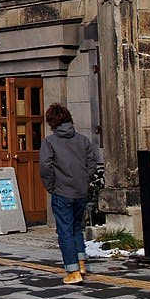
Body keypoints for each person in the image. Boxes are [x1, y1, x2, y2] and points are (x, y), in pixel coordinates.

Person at [39, 103, 98, 285]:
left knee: (64, 229)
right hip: (81, 191)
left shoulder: (50, 142)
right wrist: (85, 180)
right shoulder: (83, 140)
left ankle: (72, 270)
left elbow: (45, 167)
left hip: (62, 191)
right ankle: (81, 262)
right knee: (76, 228)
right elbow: (92, 163)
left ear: (51, 122)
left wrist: (50, 186)